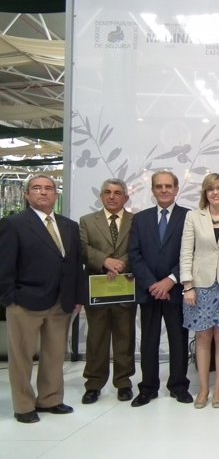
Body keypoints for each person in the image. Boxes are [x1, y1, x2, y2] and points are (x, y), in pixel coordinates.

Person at [0, 174, 84, 423]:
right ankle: (24, 406)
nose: (43, 192)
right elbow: (4, 265)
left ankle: (50, 399)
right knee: (22, 357)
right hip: (25, 302)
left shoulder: (68, 225)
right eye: (36, 188)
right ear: (27, 195)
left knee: (55, 354)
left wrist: (77, 297)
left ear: (55, 194)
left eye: (48, 188)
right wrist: (9, 299)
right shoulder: (13, 224)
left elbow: (75, 264)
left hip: (61, 302)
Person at [129, 171, 193, 407]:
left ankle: (178, 386)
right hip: (149, 291)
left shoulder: (189, 217)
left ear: (177, 189)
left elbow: (191, 252)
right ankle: (148, 387)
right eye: (159, 186)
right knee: (148, 340)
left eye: (168, 186)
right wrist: (152, 284)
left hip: (175, 290)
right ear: (153, 190)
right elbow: (134, 255)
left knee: (179, 339)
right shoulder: (140, 219)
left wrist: (171, 280)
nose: (164, 190)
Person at [180, 173, 219, 408]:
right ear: (205, 193)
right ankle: (203, 389)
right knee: (203, 337)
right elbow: (186, 252)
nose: (215, 192)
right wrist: (188, 285)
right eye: (210, 189)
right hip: (200, 286)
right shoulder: (193, 217)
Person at [79, 178, 136, 405]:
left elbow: (139, 247)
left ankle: (123, 383)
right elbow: (83, 249)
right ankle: (93, 384)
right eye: (107, 192)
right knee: (96, 338)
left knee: (125, 336)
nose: (112, 196)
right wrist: (105, 261)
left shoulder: (136, 220)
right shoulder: (86, 221)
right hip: (98, 289)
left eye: (117, 192)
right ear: (101, 196)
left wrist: (121, 262)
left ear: (126, 197)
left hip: (125, 287)